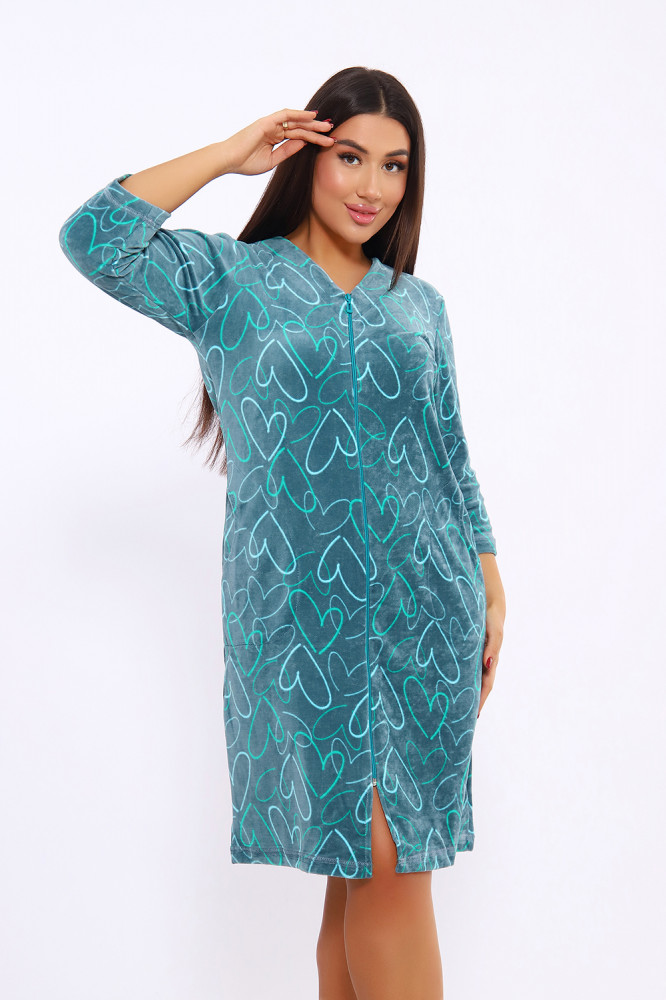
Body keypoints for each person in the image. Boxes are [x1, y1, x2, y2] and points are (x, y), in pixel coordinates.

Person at [59, 65, 506, 1000]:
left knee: (374, 866)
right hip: (302, 621)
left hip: (429, 616)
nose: (372, 187)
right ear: (307, 155)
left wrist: (490, 579)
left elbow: (450, 453)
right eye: (351, 157)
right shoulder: (229, 280)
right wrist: (229, 155)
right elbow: (93, 237)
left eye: (394, 166)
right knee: (372, 856)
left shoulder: (418, 305)